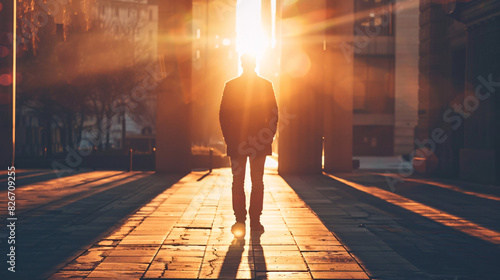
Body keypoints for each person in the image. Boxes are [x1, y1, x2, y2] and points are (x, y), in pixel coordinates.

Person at [219, 54, 278, 236]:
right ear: (255, 64)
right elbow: (274, 115)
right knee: (257, 182)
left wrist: (229, 138)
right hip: (258, 142)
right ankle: (255, 221)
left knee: (238, 182)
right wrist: (268, 137)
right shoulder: (266, 85)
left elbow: (223, 115)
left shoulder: (231, 85)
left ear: (242, 64)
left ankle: (240, 220)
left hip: (237, 142)